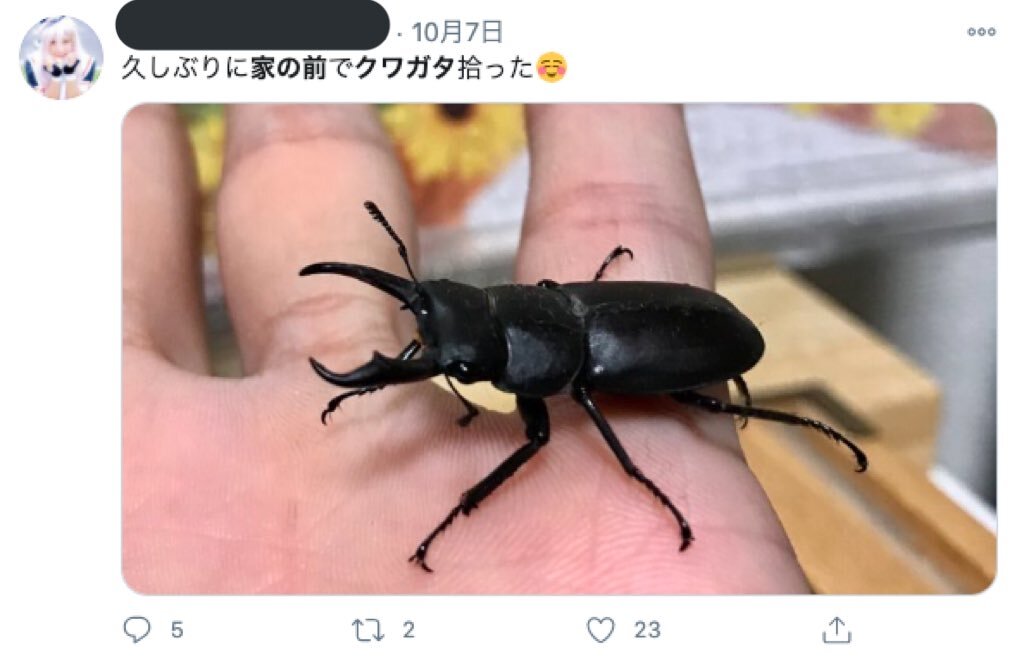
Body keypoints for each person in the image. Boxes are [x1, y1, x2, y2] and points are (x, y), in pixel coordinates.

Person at [122, 104, 809, 593]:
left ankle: (807, 423)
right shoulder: (554, 300)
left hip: (701, 335)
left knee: (701, 409)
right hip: (622, 314)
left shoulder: (579, 358)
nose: (433, 332)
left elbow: (564, 429)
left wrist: (638, 478)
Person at [24, 16, 97, 100]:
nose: (60, 49)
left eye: (65, 41)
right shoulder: (33, 63)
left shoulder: (87, 63)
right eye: (52, 42)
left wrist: (70, 72)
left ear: (74, 42)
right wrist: (55, 74)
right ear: (44, 43)